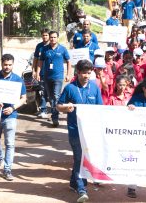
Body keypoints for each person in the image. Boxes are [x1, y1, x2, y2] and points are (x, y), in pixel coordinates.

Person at [57, 60, 103, 203]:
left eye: (89, 73)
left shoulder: (95, 88)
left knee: (83, 157)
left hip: (90, 130)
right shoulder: (70, 88)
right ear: (77, 72)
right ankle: (82, 189)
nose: (86, 75)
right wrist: (66, 108)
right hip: (75, 130)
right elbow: (58, 106)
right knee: (80, 158)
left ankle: (73, 183)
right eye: (84, 72)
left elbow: (100, 109)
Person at [36, 31, 72, 127]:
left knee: (56, 96)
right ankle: (54, 113)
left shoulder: (63, 49)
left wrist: (68, 74)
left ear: (58, 38)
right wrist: (38, 72)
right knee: (51, 98)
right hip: (47, 77)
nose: (52, 39)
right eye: (51, 37)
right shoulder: (44, 49)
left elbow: (69, 61)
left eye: (54, 37)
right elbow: (40, 61)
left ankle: (55, 117)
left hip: (58, 77)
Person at [32, 28, 49, 118]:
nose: (45, 37)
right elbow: (35, 58)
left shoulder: (52, 45)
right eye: (43, 35)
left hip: (51, 73)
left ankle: (54, 111)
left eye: (46, 35)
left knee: (51, 93)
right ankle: (43, 109)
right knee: (41, 91)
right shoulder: (39, 46)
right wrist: (34, 70)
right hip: (41, 73)